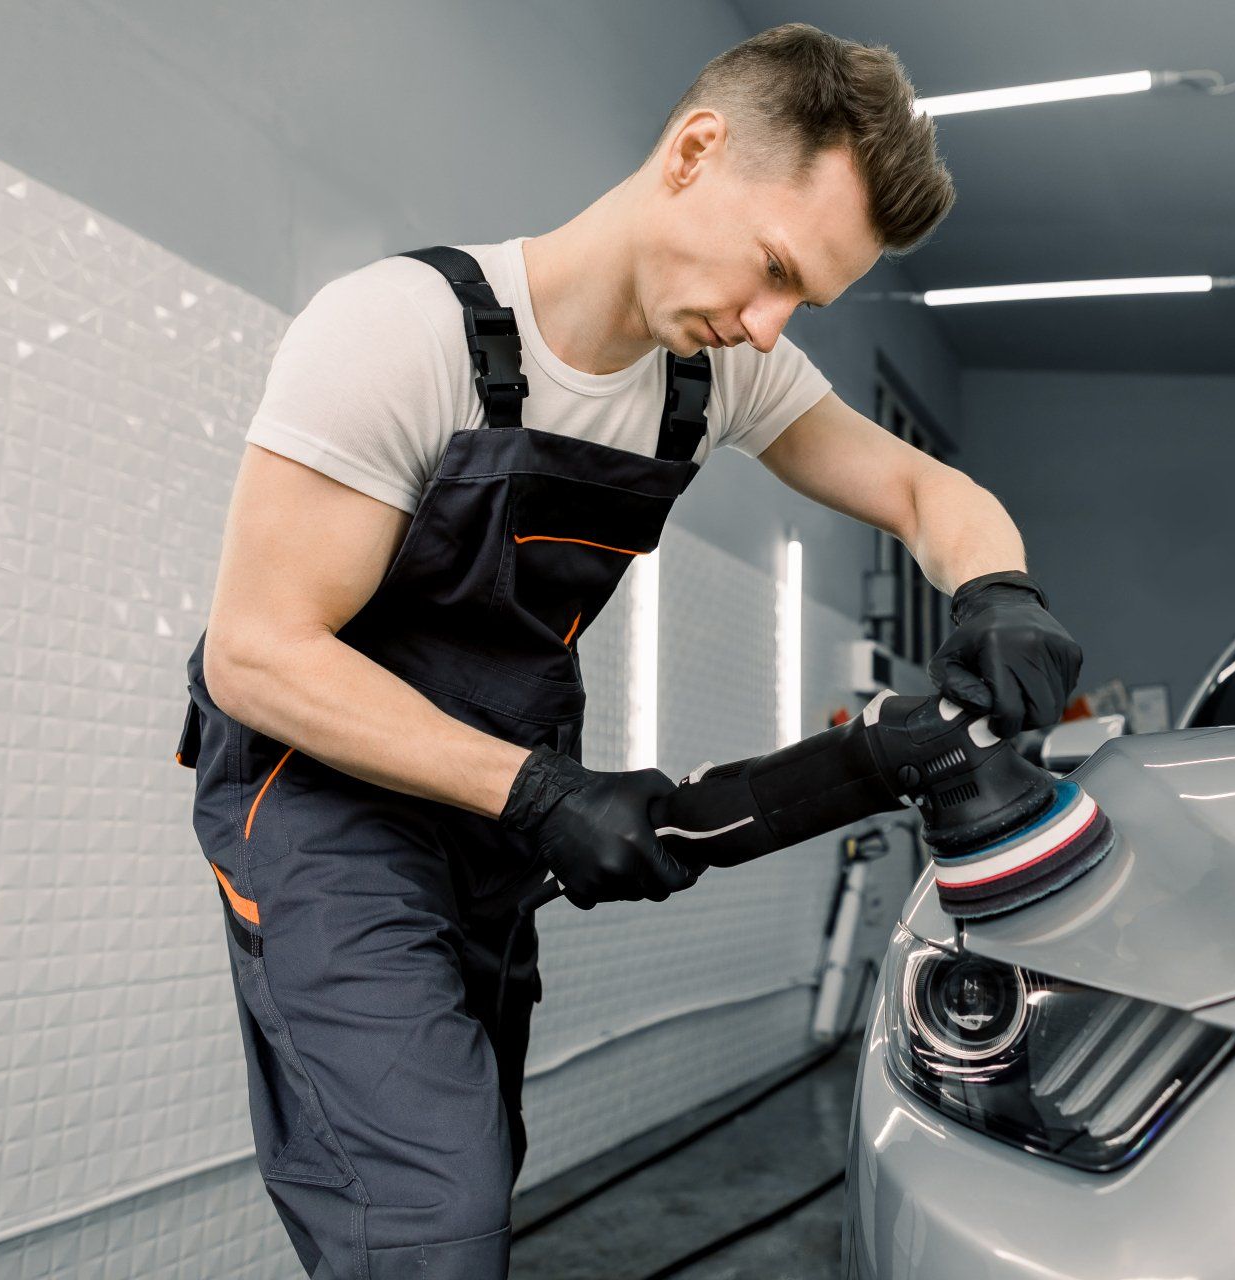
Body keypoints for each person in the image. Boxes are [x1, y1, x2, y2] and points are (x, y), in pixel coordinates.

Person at [176, 22, 1082, 1278]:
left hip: (488, 814)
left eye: (802, 301)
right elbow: (259, 653)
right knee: (432, 1204)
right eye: (772, 268)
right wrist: (537, 790)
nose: (771, 327)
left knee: (469, 1170)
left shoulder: (710, 380)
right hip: (320, 801)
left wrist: (999, 589)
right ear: (695, 150)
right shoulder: (402, 332)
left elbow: (931, 496)